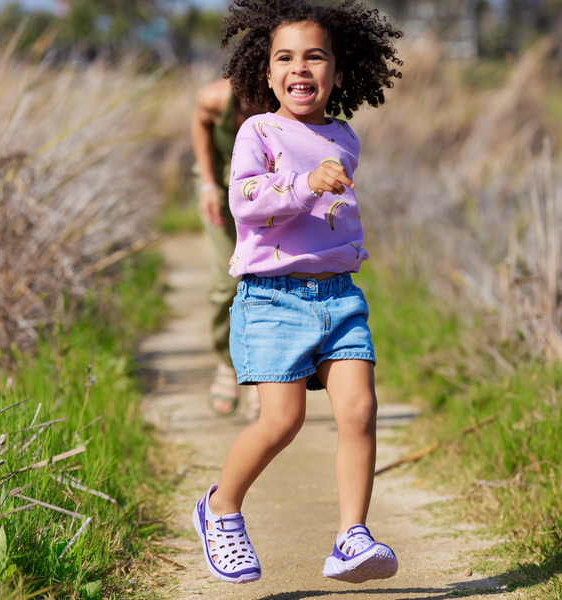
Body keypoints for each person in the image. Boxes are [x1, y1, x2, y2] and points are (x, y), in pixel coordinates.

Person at [192, 0, 403, 585]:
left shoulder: (345, 137)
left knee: (359, 410)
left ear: (338, 71)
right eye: (285, 57)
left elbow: (333, 214)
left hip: (339, 296)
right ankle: (220, 508)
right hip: (272, 299)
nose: (299, 67)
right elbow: (246, 202)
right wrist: (304, 183)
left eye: (315, 56)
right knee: (282, 421)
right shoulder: (258, 130)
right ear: (266, 73)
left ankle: (350, 536)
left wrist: (329, 204)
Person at [191, 79, 262, 421]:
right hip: (220, 187)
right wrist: (206, 182)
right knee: (228, 283)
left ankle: (266, 379)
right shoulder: (215, 99)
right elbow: (200, 125)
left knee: (270, 284)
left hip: (268, 193)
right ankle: (226, 361)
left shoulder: (286, 100)